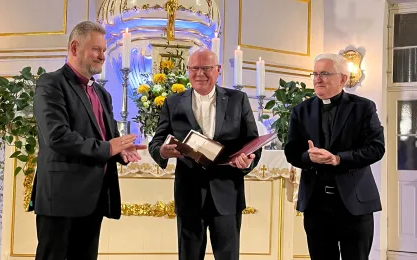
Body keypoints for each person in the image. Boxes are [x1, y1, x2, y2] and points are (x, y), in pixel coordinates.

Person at [30, 21, 146, 260]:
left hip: (94, 198)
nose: (102, 56)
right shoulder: (50, 84)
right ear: (74, 47)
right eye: (96, 49)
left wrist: (120, 150)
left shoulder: (102, 93)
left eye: (104, 50)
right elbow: (58, 136)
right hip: (60, 199)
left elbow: (108, 137)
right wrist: (108, 147)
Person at [148, 48, 261, 260]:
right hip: (189, 194)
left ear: (218, 70)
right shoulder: (172, 102)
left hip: (227, 193)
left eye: (206, 68)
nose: (200, 74)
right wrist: (162, 151)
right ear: (188, 70)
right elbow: (156, 141)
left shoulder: (238, 99)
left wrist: (248, 161)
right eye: (195, 68)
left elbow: (253, 142)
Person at [284, 53, 385, 260]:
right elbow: (292, 152)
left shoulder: (363, 107)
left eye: (324, 74)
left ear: (343, 79)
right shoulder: (301, 111)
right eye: (315, 74)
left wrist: (338, 159)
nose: (317, 79)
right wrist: (308, 157)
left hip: (354, 203)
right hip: (316, 204)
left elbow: (376, 148)